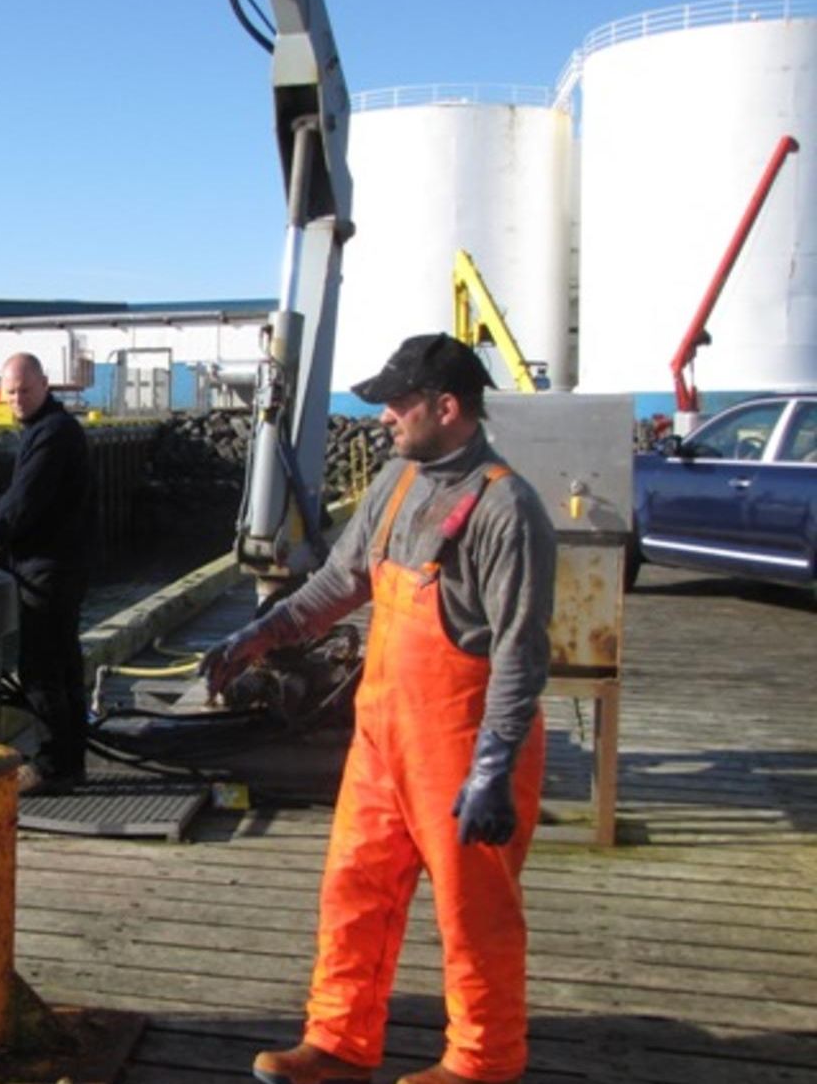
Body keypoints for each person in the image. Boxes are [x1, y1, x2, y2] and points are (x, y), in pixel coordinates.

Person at [201, 334, 556, 1084]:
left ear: (447, 407)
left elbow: (522, 653)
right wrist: (258, 634)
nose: (385, 417)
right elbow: (338, 582)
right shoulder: (397, 480)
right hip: (383, 742)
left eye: (399, 403)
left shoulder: (506, 508)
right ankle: (338, 1042)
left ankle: (481, 1062)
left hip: (467, 746)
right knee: (354, 886)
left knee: (474, 911)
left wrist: (492, 768)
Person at [0, 352, 93, 791]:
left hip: (49, 568)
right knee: (64, 664)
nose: (17, 398)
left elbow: (25, 498)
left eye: (25, 390)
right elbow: (23, 495)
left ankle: (54, 766)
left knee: (40, 668)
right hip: (63, 563)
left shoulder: (53, 434)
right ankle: (72, 758)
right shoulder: (49, 429)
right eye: (11, 392)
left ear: (45, 385)